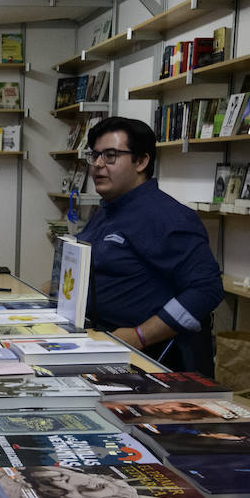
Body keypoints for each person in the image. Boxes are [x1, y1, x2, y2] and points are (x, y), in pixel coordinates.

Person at [76, 117, 223, 375]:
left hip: (150, 360)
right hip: (98, 342)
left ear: (142, 162)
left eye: (111, 156)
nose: (98, 164)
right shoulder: (107, 210)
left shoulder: (167, 217)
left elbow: (206, 289)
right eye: (95, 155)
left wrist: (139, 336)